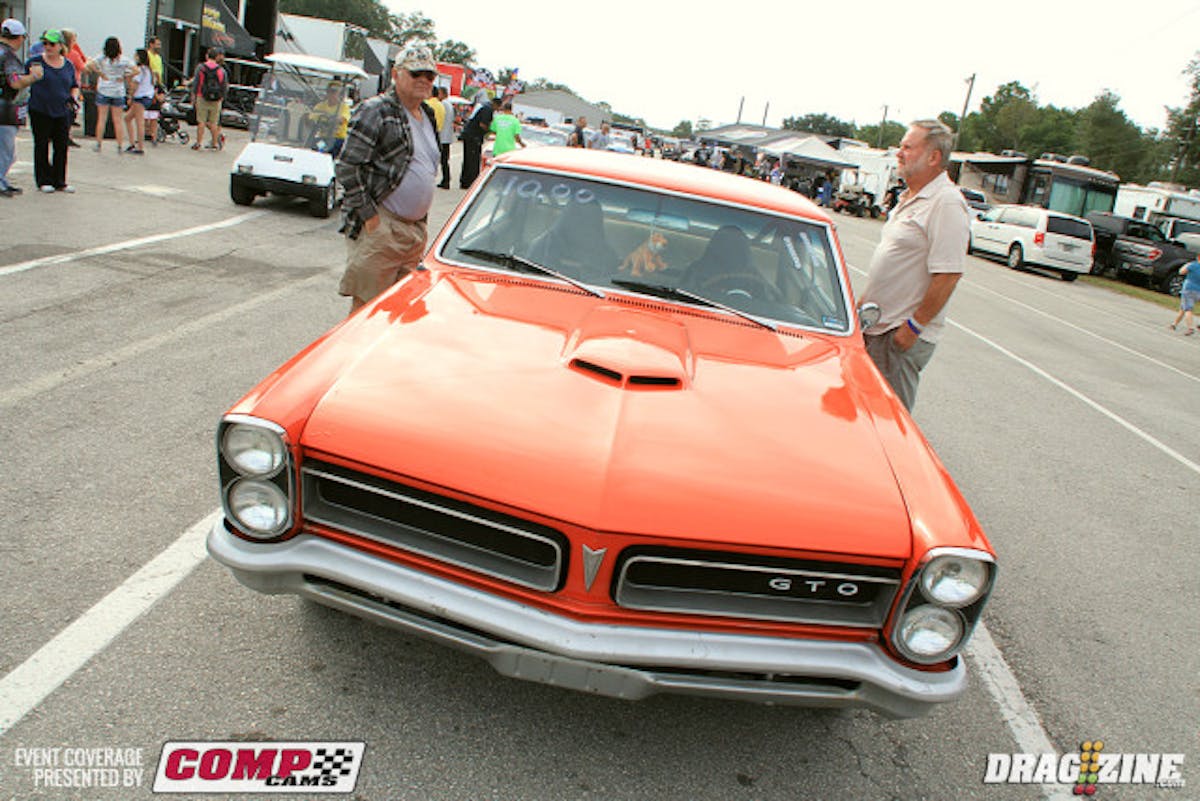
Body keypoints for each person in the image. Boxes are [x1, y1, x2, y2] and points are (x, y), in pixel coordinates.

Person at [859, 119, 969, 411]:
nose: (899, 153)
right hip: (877, 328)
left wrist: (912, 328)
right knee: (866, 415)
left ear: (933, 157)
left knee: (889, 424)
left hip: (897, 336)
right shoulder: (910, 198)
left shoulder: (945, 203)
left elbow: (948, 274)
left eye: (908, 147)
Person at [335, 46, 441, 314]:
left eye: (429, 75)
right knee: (365, 312)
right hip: (382, 228)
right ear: (396, 74)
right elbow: (347, 166)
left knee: (399, 312)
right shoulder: (376, 110)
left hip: (413, 232)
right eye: (416, 72)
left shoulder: (427, 114)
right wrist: (371, 218)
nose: (424, 80)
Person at [26, 29, 79, 192]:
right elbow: (20, 79)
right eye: (45, 43)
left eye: (52, 44)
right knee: (41, 144)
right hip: (40, 109)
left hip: (62, 110)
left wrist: (73, 98)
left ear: (60, 46)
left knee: (61, 145)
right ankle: (43, 180)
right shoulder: (35, 62)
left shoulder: (68, 65)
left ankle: (59, 180)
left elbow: (74, 86)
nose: (48, 47)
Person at [1, 18, 42, 197]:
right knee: (6, 150)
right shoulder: (8, 56)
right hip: (4, 108)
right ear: (18, 38)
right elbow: (15, 82)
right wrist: (33, 77)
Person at [85, 36, 133, 153]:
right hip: (118, 91)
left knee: (102, 119)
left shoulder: (102, 58)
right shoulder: (123, 60)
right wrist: (124, 76)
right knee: (118, 120)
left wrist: (99, 73)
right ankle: (119, 145)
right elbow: (136, 70)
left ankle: (98, 143)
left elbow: (89, 65)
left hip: (104, 89)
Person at [190, 47, 226, 151]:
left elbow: (196, 84)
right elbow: (224, 86)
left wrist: (194, 96)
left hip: (202, 97)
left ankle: (198, 142)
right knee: (214, 122)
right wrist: (221, 97)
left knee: (201, 121)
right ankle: (214, 144)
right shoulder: (221, 70)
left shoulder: (201, 68)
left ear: (207, 56)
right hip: (216, 99)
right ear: (216, 57)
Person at [458, 95, 496, 188]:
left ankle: (465, 181)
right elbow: (483, 124)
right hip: (474, 136)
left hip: (469, 135)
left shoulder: (484, 107)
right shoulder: (488, 110)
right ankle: (470, 181)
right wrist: (489, 131)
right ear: (496, 105)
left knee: (468, 158)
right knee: (473, 160)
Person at [121, 48, 153, 154]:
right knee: (127, 118)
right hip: (147, 96)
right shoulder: (148, 70)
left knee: (139, 122)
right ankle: (132, 143)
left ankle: (140, 147)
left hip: (140, 97)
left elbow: (134, 85)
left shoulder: (139, 70)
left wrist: (130, 96)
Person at [307, 80, 349, 157]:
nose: (331, 94)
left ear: (340, 94)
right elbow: (311, 118)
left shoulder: (343, 107)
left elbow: (343, 119)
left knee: (329, 150)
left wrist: (332, 119)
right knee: (315, 146)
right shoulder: (320, 106)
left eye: (334, 92)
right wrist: (315, 122)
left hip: (337, 139)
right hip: (323, 137)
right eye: (329, 91)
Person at [60, 29, 86, 147]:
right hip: (73, 84)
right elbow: (82, 67)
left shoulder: (59, 53)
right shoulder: (74, 54)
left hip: (60, 84)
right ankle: (67, 135)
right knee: (71, 110)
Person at [1168, 258, 1200, 335]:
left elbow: (1181, 271)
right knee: (1183, 308)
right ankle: (1174, 324)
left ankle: (1190, 328)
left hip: (1189, 289)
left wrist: (1186, 265)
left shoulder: (1193, 265)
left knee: (1188, 309)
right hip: (1198, 290)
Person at [144, 36, 163, 142]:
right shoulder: (148, 55)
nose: (159, 46)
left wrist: (160, 85)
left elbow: (159, 72)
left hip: (157, 84)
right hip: (148, 84)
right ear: (151, 44)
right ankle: (146, 132)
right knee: (146, 110)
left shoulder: (158, 58)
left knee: (154, 111)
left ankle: (152, 133)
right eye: (157, 44)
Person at [436, 85, 455, 189]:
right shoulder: (450, 105)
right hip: (447, 136)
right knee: (444, 160)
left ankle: (446, 180)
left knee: (442, 160)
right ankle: (446, 178)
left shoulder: (442, 104)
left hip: (442, 136)